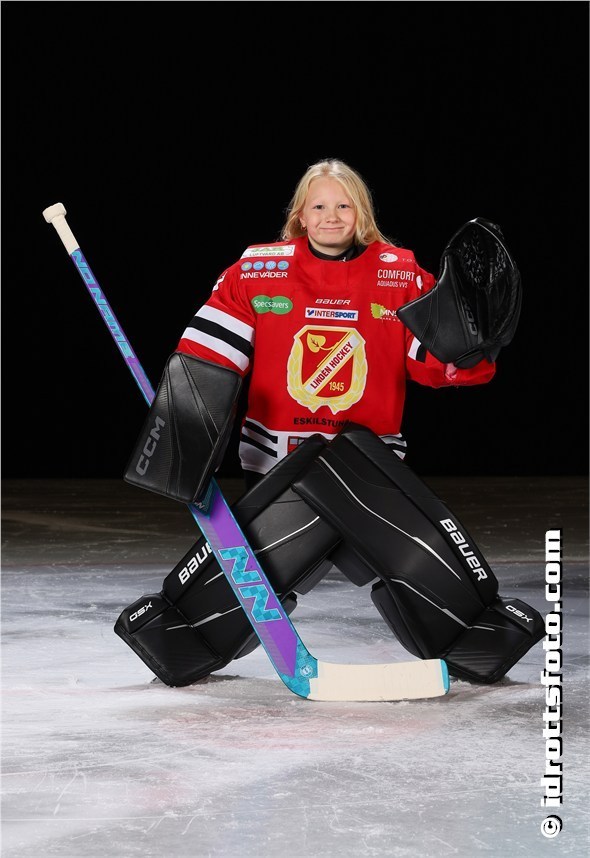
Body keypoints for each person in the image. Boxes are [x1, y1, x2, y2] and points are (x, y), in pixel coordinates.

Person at [175, 158, 495, 488]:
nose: (331, 216)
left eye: (344, 205)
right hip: (273, 458)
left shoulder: (401, 277)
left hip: (370, 458)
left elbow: (438, 358)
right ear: (301, 215)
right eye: (319, 206)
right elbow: (206, 361)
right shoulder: (256, 273)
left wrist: (474, 349)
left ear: (361, 213)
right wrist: (182, 421)